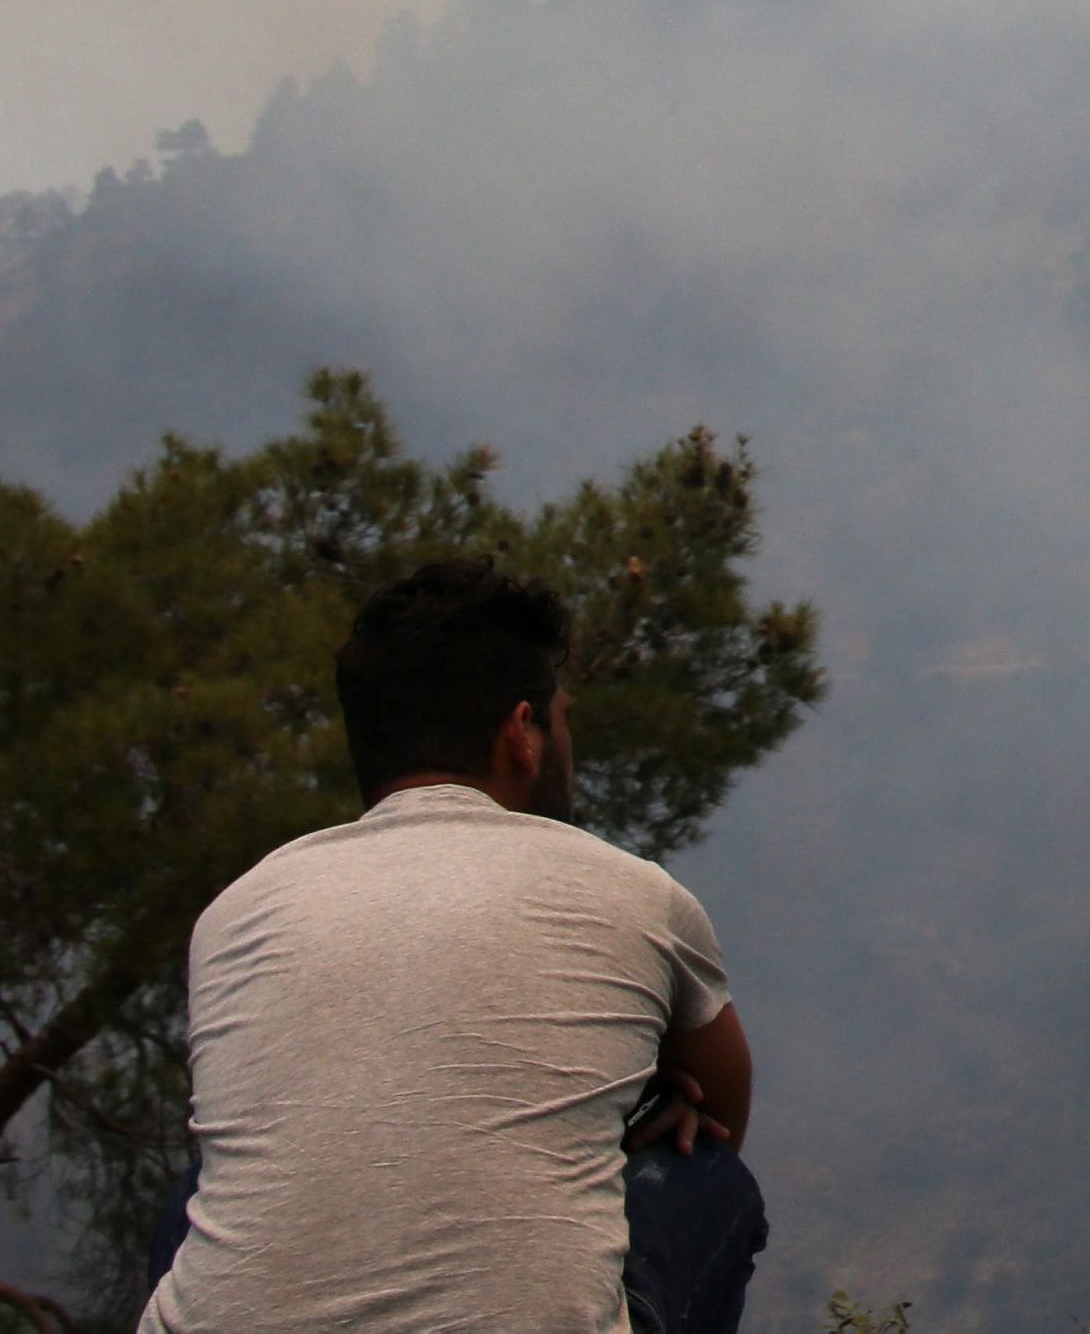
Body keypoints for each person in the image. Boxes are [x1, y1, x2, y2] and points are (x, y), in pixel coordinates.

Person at [141, 559, 766, 1334]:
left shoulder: (235, 913)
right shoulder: (635, 893)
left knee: (202, 1188)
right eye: (560, 719)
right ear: (522, 734)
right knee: (705, 1175)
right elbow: (721, 1112)